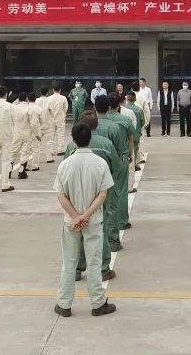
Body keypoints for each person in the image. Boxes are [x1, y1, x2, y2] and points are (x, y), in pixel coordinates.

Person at [53, 122, 117, 318]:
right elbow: (102, 194)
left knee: (69, 262)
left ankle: (64, 304)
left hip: (71, 222)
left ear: (73, 140)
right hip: (93, 221)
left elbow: (61, 195)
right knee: (94, 262)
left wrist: (76, 217)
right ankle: (98, 303)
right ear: (90, 139)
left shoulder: (65, 165)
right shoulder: (100, 164)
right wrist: (86, 215)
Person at [64, 111, 119, 282]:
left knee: (77, 229)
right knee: (99, 229)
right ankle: (103, 269)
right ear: (96, 125)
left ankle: (77, 269)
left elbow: (64, 169)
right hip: (100, 192)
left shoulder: (71, 146)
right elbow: (116, 167)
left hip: (75, 194)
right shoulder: (106, 144)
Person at [93, 96, 128, 252]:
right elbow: (121, 152)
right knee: (111, 207)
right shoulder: (114, 128)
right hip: (109, 173)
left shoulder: (87, 126)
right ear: (109, 108)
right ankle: (112, 241)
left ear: (95, 107)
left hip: (89, 172)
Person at [107, 96, 137, 228]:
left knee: (105, 190)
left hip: (105, 158)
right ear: (118, 105)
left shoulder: (101, 121)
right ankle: (122, 221)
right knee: (122, 190)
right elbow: (131, 139)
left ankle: (107, 220)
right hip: (121, 158)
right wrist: (130, 155)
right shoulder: (125, 120)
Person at [0, 86, 16, 193]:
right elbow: (14, 121)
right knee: (6, 160)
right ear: (6, 94)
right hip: (6, 136)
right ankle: (5, 184)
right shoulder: (10, 106)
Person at [123, 92, 145, 179]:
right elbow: (143, 121)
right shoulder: (139, 110)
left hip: (124, 135)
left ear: (127, 99)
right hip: (136, 134)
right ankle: (134, 164)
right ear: (135, 99)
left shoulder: (123, 109)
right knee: (134, 151)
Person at [48, 85, 70, 156]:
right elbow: (66, 108)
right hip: (60, 118)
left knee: (51, 135)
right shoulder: (63, 98)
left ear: (53, 90)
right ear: (60, 90)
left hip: (51, 118)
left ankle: (50, 151)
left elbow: (47, 109)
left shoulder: (49, 98)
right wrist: (63, 114)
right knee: (60, 134)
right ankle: (60, 150)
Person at [26, 92, 45, 171]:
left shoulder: (26, 108)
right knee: (36, 149)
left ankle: (26, 165)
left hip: (26, 131)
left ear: (27, 99)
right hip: (36, 131)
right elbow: (43, 122)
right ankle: (35, 166)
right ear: (35, 99)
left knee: (26, 149)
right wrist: (41, 132)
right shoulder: (39, 109)